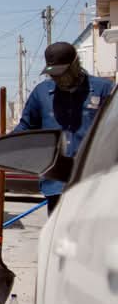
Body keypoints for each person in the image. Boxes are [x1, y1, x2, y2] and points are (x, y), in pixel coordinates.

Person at [13, 41, 113, 213]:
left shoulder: (103, 90)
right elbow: (26, 128)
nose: (57, 78)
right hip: (56, 187)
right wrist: (6, 147)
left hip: (95, 184)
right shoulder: (41, 93)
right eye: (53, 75)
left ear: (75, 64)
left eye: (62, 73)